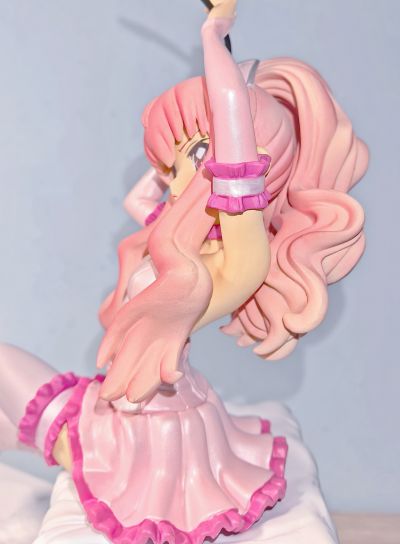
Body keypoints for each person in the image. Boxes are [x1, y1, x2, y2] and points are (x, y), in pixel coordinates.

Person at [0, 1, 368, 542]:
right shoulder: (175, 240)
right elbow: (140, 198)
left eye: (197, 153)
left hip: (136, 436)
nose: (176, 176)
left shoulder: (236, 260)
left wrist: (214, 38)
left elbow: (235, 150)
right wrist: (171, 152)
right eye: (173, 162)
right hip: (123, 412)